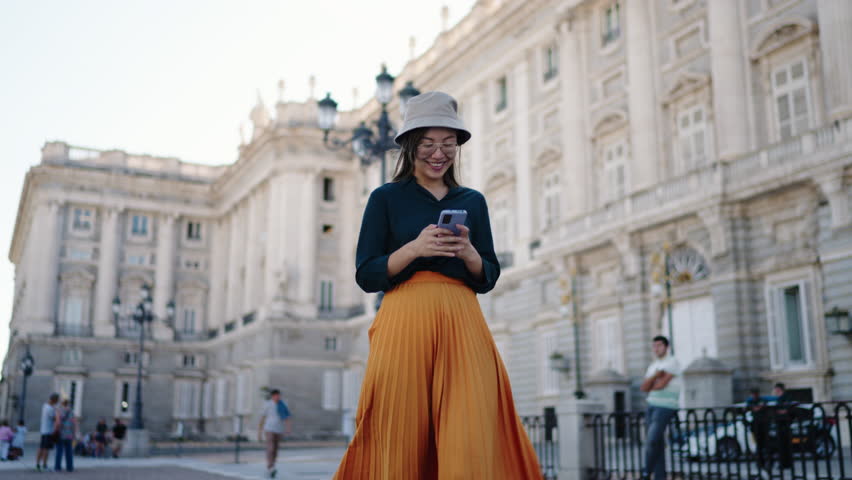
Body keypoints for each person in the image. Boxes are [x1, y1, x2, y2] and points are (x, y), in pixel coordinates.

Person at [333, 91, 543, 479]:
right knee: (400, 432)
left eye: (448, 143)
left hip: (463, 320)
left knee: (472, 428)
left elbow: (489, 275)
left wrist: (468, 252)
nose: (439, 153)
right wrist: (414, 249)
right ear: (410, 146)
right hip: (404, 320)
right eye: (428, 143)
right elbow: (367, 274)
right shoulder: (385, 198)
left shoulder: (472, 201)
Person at [640, 336, 681, 480]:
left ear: (666, 347)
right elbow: (644, 387)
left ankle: (645, 473)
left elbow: (660, 385)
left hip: (666, 406)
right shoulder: (653, 366)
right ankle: (659, 477)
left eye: (659, 345)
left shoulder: (672, 362)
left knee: (652, 440)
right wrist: (656, 376)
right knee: (656, 444)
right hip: (651, 405)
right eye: (654, 346)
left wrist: (652, 382)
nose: (656, 349)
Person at [258, 389, 292, 478]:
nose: (278, 397)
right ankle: (270, 466)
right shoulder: (268, 404)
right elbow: (262, 417)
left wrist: (288, 428)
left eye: (279, 395)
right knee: (270, 448)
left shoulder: (283, 404)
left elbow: (287, 417)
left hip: (279, 429)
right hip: (269, 429)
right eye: (276, 395)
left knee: (276, 449)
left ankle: (272, 465)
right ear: (272, 396)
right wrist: (260, 431)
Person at [36, 392, 60, 471]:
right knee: (46, 449)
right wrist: (57, 412)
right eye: (57, 400)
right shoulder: (50, 408)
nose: (57, 402)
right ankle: (44, 465)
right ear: (54, 400)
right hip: (48, 431)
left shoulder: (45, 406)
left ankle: (37, 465)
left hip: (43, 430)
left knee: (41, 447)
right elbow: (54, 418)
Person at [54, 399, 77, 472]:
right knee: (69, 451)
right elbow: (74, 423)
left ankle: (57, 467)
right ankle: (69, 467)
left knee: (59, 451)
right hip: (69, 434)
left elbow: (57, 422)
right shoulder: (71, 411)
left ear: (62, 403)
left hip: (61, 434)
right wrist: (74, 433)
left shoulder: (59, 411)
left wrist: (55, 430)